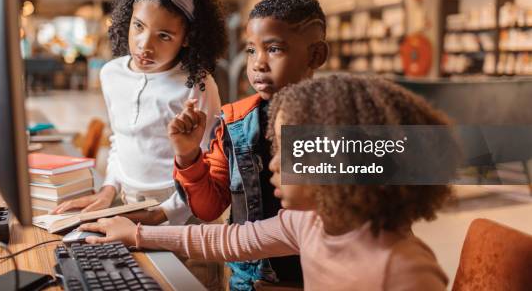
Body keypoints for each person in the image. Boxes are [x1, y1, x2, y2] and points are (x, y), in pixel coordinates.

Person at [79, 74, 451, 291]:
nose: (272, 163)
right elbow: (228, 239)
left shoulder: (404, 270)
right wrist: (136, 235)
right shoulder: (309, 223)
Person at [169, 0, 328, 289]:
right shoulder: (235, 121)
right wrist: (189, 156)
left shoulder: (345, 123)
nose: (258, 64)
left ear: (316, 55)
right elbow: (208, 209)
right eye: (252, 51)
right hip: (248, 282)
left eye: (275, 49)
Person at [53, 0, 227, 228]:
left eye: (164, 36)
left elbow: (211, 160)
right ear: (128, 20)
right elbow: (119, 141)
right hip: (128, 202)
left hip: (184, 212)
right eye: (139, 26)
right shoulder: (111, 74)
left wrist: (164, 213)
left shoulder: (197, 84)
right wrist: (108, 189)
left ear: (186, 39)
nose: (145, 45)